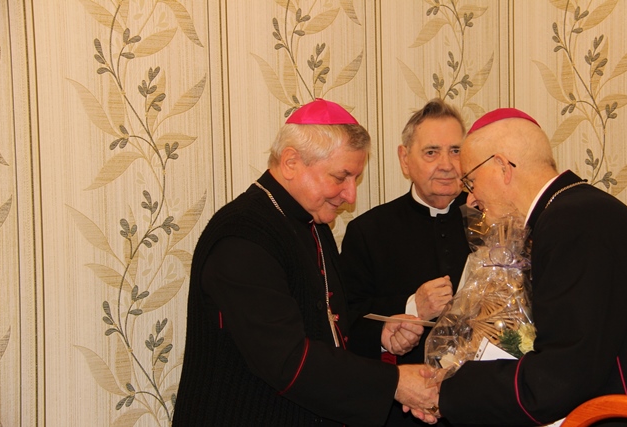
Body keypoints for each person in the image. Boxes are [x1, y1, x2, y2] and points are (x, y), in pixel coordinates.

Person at [173, 98, 436, 427]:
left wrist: (380, 334)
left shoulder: (313, 223)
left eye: (354, 179)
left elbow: (327, 327)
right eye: (341, 177)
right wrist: (394, 383)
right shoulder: (243, 236)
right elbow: (287, 359)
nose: (350, 196)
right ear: (291, 162)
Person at [412, 108, 627, 426]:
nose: (471, 199)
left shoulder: (572, 226)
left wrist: (448, 391)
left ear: (502, 167)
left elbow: (561, 376)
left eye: (471, 181)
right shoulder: (574, 212)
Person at [339, 99, 471, 426]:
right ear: (405, 159)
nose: (447, 165)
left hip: (479, 403)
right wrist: (413, 307)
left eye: (456, 151)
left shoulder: (489, 221)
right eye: (431, 152)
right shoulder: (368, 231)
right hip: (403, 411)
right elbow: (346, 323)